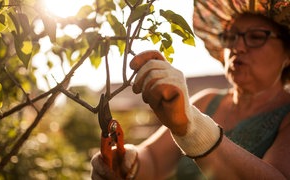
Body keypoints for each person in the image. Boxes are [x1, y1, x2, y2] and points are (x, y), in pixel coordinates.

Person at [91, 0, 290, 179]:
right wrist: (128, 162)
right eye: (230, 37)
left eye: (256, 37)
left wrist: (194, 129)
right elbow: (153, 159)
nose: (237, 46)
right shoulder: (207, 101)